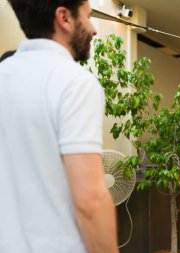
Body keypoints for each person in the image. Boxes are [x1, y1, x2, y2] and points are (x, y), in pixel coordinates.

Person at [0, 1, 119, 253]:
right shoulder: (74, 83)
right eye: (88, 17)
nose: (93, 29)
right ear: (64, 18)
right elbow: (90, 201)